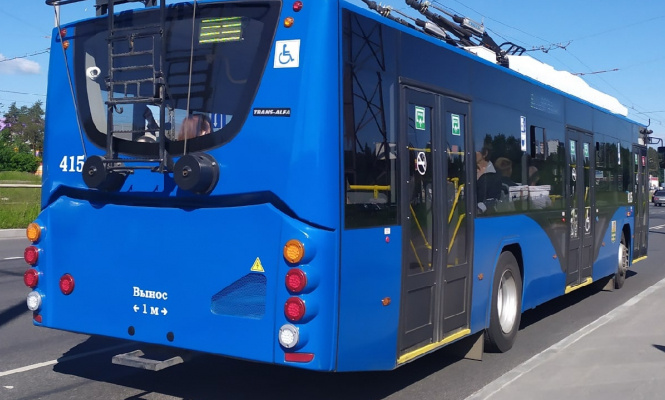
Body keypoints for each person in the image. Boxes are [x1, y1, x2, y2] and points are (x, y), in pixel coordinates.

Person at [476, 147, 503, 212]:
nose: (470, 153)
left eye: (475, 150)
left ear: (485, 153)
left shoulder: (496, 174)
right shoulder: (467, 171)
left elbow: (496, 199)